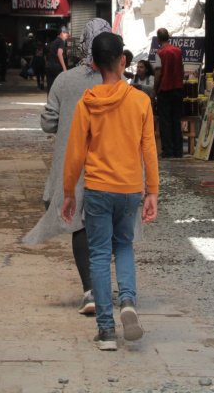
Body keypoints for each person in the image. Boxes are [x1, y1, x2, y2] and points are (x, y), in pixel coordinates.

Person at [24, 19, 137, 318]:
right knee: (115, 233)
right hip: (112, 164)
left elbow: (49, 122)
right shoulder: (123, 85)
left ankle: (91, 292)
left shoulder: (65, 80)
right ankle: (123, 295)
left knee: (80, 224)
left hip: (74, 163)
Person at [61, 31, 158, 351]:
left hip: (98, 189)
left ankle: (105, 331)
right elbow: (149, 149)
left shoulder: (87, 103)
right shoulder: (141, 101)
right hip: (130, 189)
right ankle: (128, 301)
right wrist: (152, 192)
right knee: (125, 245)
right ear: (123, 61)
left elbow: (75, 153)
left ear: (93, 64)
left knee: (100, 254)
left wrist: (68, 193)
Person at [152, 28, 185, 158]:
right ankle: (178, 150)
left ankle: (168, 150)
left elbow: (159, 72)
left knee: (165, 121)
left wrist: (155, 90)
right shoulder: (178, 51)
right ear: (168, 37)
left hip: (165, 89)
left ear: (158, 39)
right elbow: (182, 70)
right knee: (176, 120)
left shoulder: (159, 53)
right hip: (178, 88)